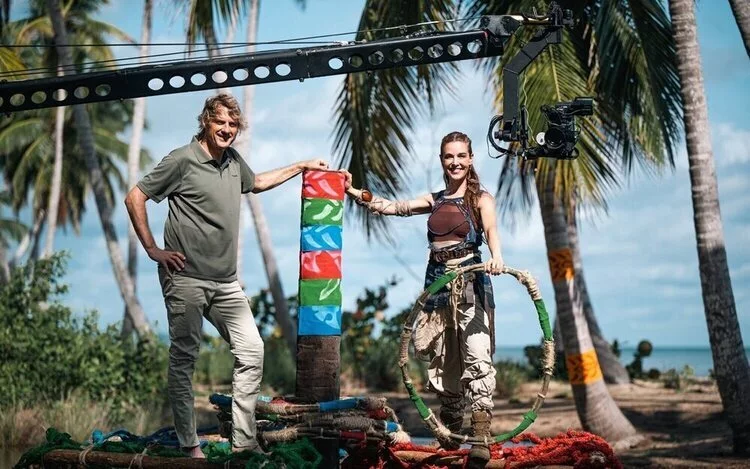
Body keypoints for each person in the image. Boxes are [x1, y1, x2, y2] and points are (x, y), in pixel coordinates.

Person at [124, 93, 332, 458]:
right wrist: (153, 249)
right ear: (206, 120)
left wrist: (300, 166)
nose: (227, 129)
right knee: (184, 359)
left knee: (252, 350)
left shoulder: (233, 161)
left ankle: (243, 443)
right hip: (185, 278)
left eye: (233, 124)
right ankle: (190, 445)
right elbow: (135, 197)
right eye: (220, 121)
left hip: (225, 282)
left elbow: (258, 182)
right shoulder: (182, 159)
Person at [345, 131, 504, 467]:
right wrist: (356, 192)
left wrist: (497, 257)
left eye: (461, 156)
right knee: (445, 363)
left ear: (471, 159)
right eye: (449, 156)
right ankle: (452, 432)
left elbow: (491, 232)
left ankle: (480, 437)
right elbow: (394, 207)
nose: (455, 162)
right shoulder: (435, 200)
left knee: (477, 356)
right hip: (437, 288)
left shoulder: (481, 199)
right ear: (442, 160)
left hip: (471, 284)